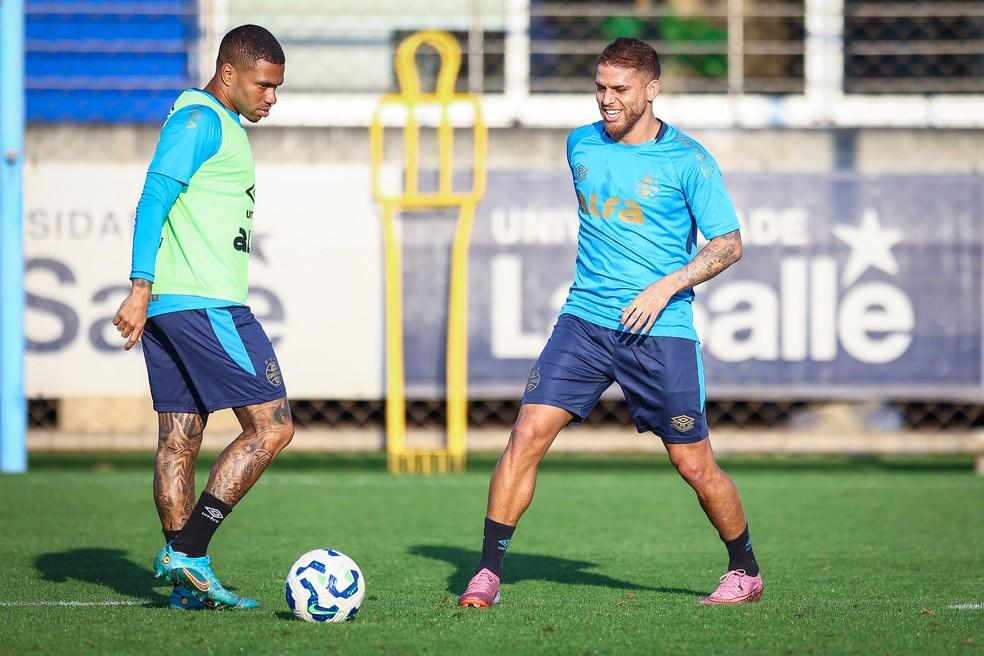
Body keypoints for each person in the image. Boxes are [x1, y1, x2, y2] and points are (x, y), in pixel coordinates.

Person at [457, 37, 762, 608]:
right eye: (600, 87)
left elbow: (729, 244)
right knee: (527, 434)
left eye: (620, 89)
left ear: (652, 89)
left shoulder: (689, 160)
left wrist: (667, 285)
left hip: (660, 331)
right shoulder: (580, 145)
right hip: (585, 323)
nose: (606, 99)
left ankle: (744, 569)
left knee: (693, 463)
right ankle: (487, 573)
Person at [112, 24, 291, 610]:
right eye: (263, 85)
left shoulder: (217, 122)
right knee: (273, 427)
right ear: (228, 73)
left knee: (179, 439)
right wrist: (139, 286)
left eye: (277, 87)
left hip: (177, 305)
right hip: (204, 303)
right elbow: (153, 198)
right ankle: (189, 550)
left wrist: (150, 295)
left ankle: (187, 588)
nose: (271, 97)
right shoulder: (200, 121)